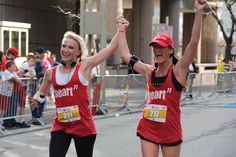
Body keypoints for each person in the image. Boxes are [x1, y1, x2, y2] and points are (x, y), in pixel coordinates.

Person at [117, 0, 205, 156]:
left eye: (161, 47)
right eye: (154, 47)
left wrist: (198, 12)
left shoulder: (178, 71)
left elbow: (193, 42)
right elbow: (125, 55)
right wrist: (122, 30)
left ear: (170, 50)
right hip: (148, 127)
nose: (157, 50)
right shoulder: (148, 71)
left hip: (170, 131)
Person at [28, 30, 119, 157]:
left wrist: (121, 29)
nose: (65, 50)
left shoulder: (84, 66)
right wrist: (35, 101)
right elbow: (41, 92)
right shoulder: (50, 73)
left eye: (71, 47)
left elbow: (110, 48)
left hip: (83, 126)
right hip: (61, 126)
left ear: (78, 52)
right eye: (64, 46)